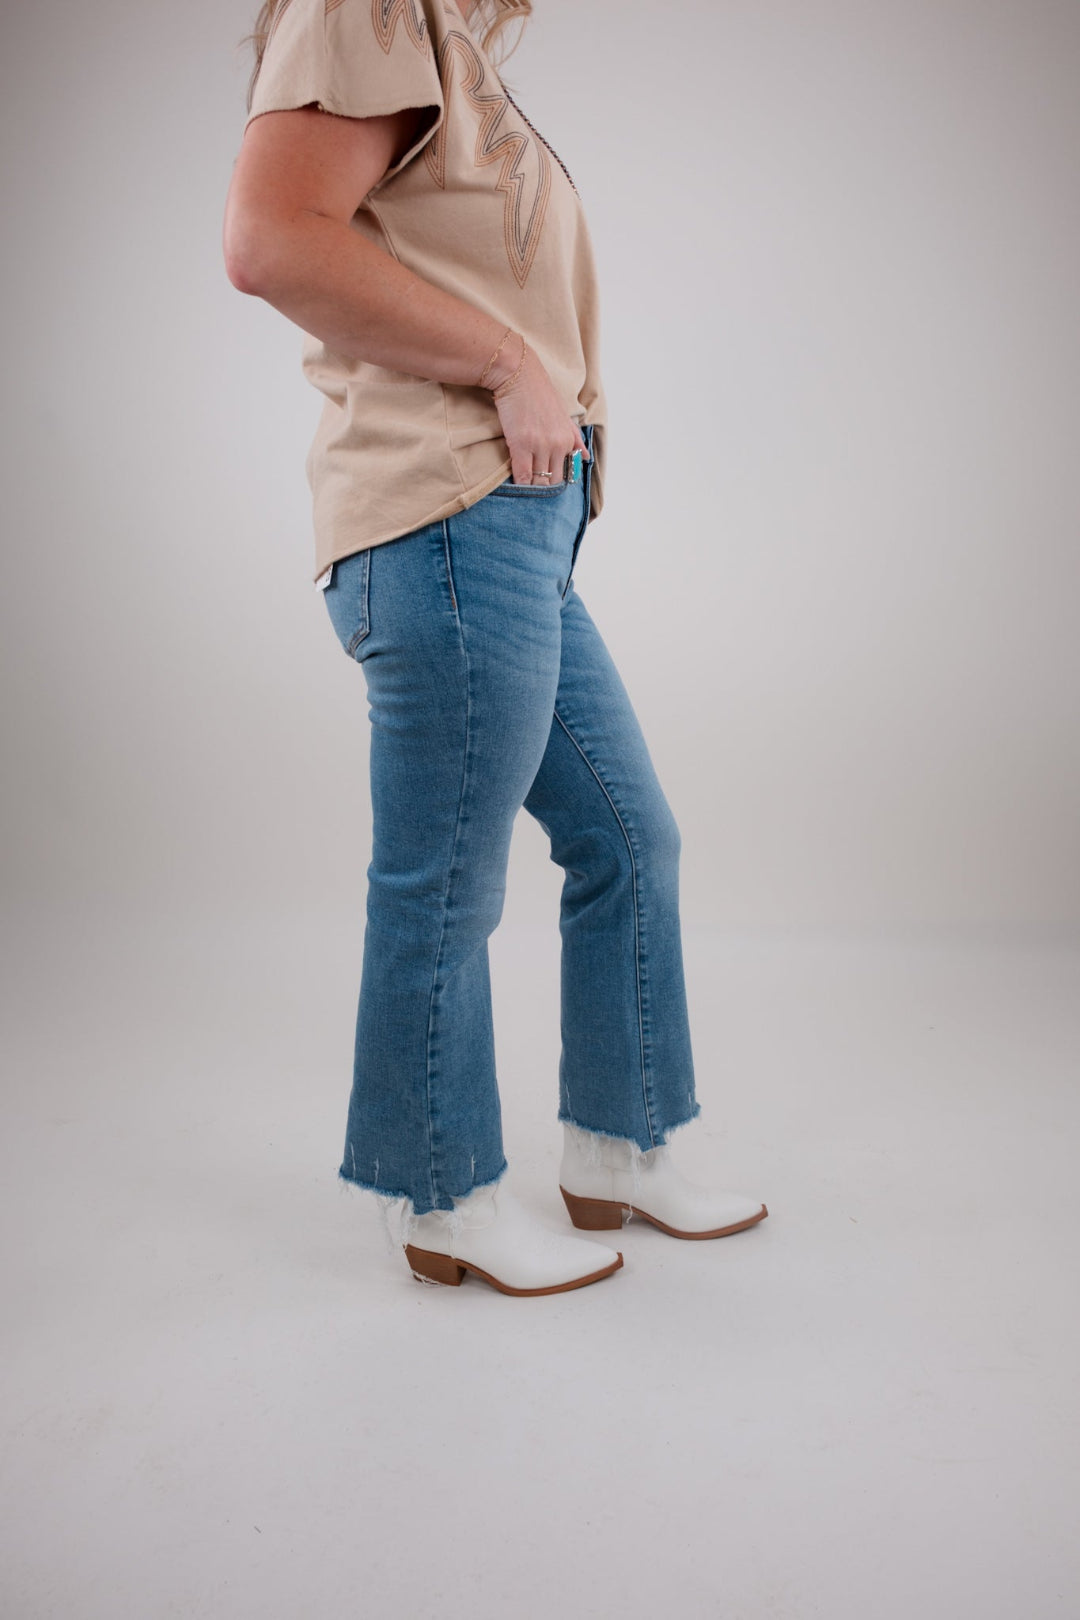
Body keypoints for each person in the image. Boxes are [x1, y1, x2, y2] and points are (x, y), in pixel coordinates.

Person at [223, 0, 767, 1297]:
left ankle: (620, 1150)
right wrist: (510, 363)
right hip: (445, 524)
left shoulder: (445, 46)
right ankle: (445, 1192)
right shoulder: (363, 8)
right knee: (446, 885)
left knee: (632, 840)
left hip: (513, 536)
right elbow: (270, 240)